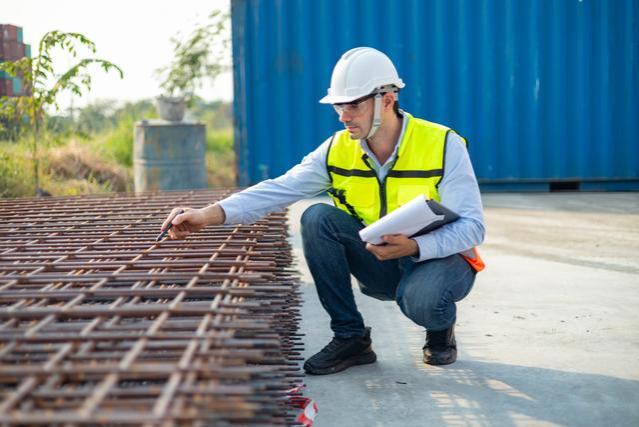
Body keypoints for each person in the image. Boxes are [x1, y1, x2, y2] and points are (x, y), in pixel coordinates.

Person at [161, 47, 486, 375]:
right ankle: (351, 338)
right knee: (317, 217)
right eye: (339, 106)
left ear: (387, 100)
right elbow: (278, 189)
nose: (344, 116)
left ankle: (440, 328)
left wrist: (416, 246)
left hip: (442, 260)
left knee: (423, 301)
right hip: (383, 259)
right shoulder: (336, 149)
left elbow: (473, 227)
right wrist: (207, 214)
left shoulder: (442, 144)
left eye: (354, 105)